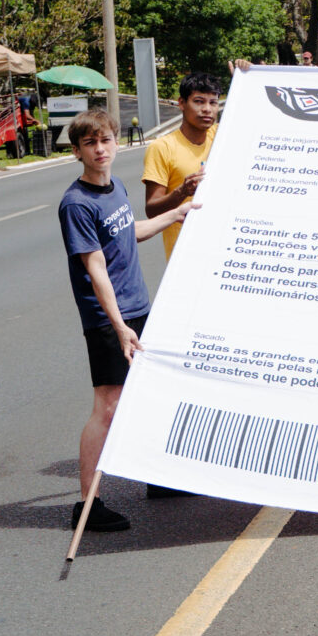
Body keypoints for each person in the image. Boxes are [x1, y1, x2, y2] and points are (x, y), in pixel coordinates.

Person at [61, 109, 198, 532]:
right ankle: (87, 504)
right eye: (90, 143)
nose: (100, 149)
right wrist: (119, 325)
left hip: (136, 306)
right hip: (108, 318)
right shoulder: (76, 203)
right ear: (78, 151)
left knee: (146, 391)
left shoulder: (115, 187)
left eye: (105, 140)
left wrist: (174, 215)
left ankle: (157, 478)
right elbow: (95, 266)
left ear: (117, 142)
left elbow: (128, 232)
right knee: (109, 406)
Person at [142, 71, 223, 261]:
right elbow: (152, 210)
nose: (207, 109)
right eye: (199, 101)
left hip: (221, 248)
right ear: (181, 103)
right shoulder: (161, 148)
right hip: (184, 255)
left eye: (213, 103)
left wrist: (248, 75)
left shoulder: (221, 136)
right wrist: (183, 191)